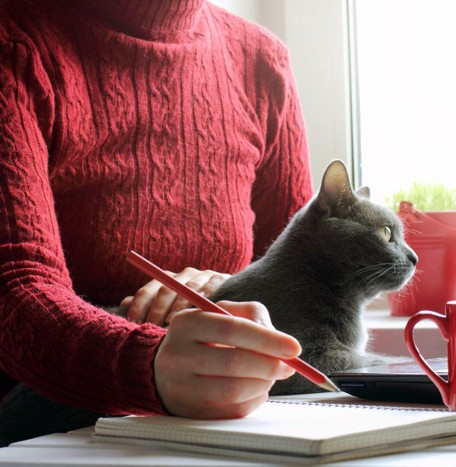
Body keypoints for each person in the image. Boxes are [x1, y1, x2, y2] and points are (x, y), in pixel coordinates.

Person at [0, 0, 314, 438]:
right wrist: (148, 365)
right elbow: (14, 287)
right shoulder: (16, 41)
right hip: (52, 406)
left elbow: (302, 276)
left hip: (216, 411)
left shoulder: (262, 59)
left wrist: (228, 286)